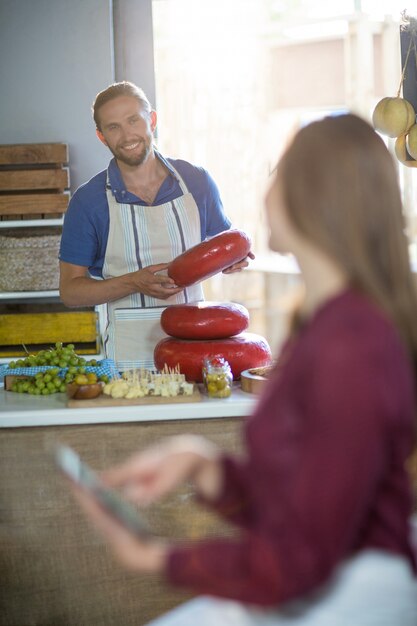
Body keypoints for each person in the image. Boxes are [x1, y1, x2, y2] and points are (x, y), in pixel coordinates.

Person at [70, 114, 417, 625]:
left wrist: (158, 558)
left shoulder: (351, 346)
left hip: (354, 594)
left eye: (277, 172)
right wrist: (202, 464)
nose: (266, 188)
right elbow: (297, 499)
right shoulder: (320, 327)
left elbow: (301, 556)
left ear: (312, 195)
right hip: (325, 578)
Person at [59, 81, 252, 370]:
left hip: (195, 352)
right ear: (102, 137)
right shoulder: (88, 201)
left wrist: (235, 260)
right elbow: (70, 292)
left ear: (152, 119)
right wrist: (131, 281)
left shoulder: (196, 182)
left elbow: (223, 248)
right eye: (113, 127)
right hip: (128, 363)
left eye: (133, 120)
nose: (127, 136)